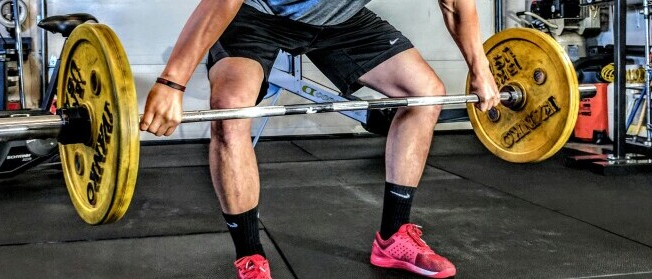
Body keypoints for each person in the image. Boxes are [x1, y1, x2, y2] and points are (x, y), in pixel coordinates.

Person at [140, 0, 498, 278]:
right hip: (255, 15)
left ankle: (393, 238)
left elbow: (454, 4)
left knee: (425, 93)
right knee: (231, 110)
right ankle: (250, 253)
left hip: (338, 21)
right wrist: (172, 82)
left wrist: (480, 70)